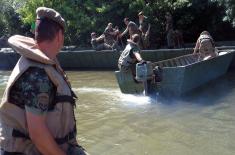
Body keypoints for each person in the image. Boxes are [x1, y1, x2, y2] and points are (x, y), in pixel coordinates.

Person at [0, 7, 88, 155]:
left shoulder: (41, 62)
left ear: (36, 35)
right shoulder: (38, 74)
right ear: (60, 36)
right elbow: (38, 135)